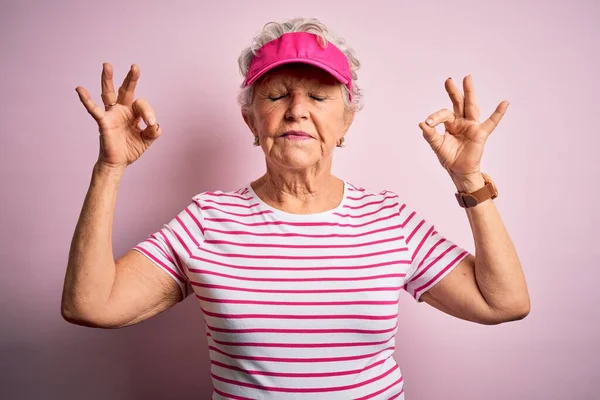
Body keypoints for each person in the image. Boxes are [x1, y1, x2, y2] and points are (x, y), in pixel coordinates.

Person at [62, 17, 530, 400]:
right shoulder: (207, 220)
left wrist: (469, 179)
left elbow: (503, 302)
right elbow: (91, 306)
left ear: (346, 120)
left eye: (320, 95)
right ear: (251, 118)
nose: (297, 110)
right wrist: (109, 167)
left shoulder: (390, 219)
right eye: (277, 93)